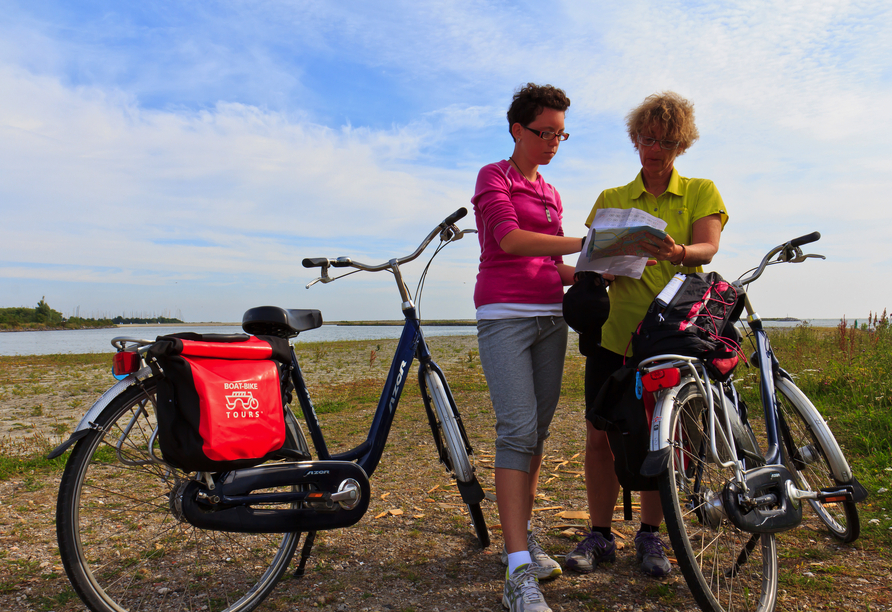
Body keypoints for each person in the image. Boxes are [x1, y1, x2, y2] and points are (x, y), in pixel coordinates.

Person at [565, 92, 729, 578]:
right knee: (599, 434)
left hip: (670, 336)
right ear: (636, 140)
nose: (656, 149)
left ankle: (651, 537)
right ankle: (598, 532)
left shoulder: (701, 190)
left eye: (668, 141)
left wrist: (678, 250)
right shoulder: (611, 199)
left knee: (666, 436)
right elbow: (590, 262)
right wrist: (600, 269)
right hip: (612, 334)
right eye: (649, 139)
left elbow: (708, 247)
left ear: (683, 145)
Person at [472, 83, 584, 612]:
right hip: (505, 317)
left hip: (550, 318)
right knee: (515, 429)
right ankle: (518, 572)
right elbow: (509, 241)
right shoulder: (494, 176)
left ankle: (522, 536)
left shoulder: (553, 192)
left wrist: (603, 265)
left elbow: (553, 265)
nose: (554, 142)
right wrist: (584, 243)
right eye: (545, 132)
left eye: (561, 134)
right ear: (518, 129)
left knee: (536, 433)